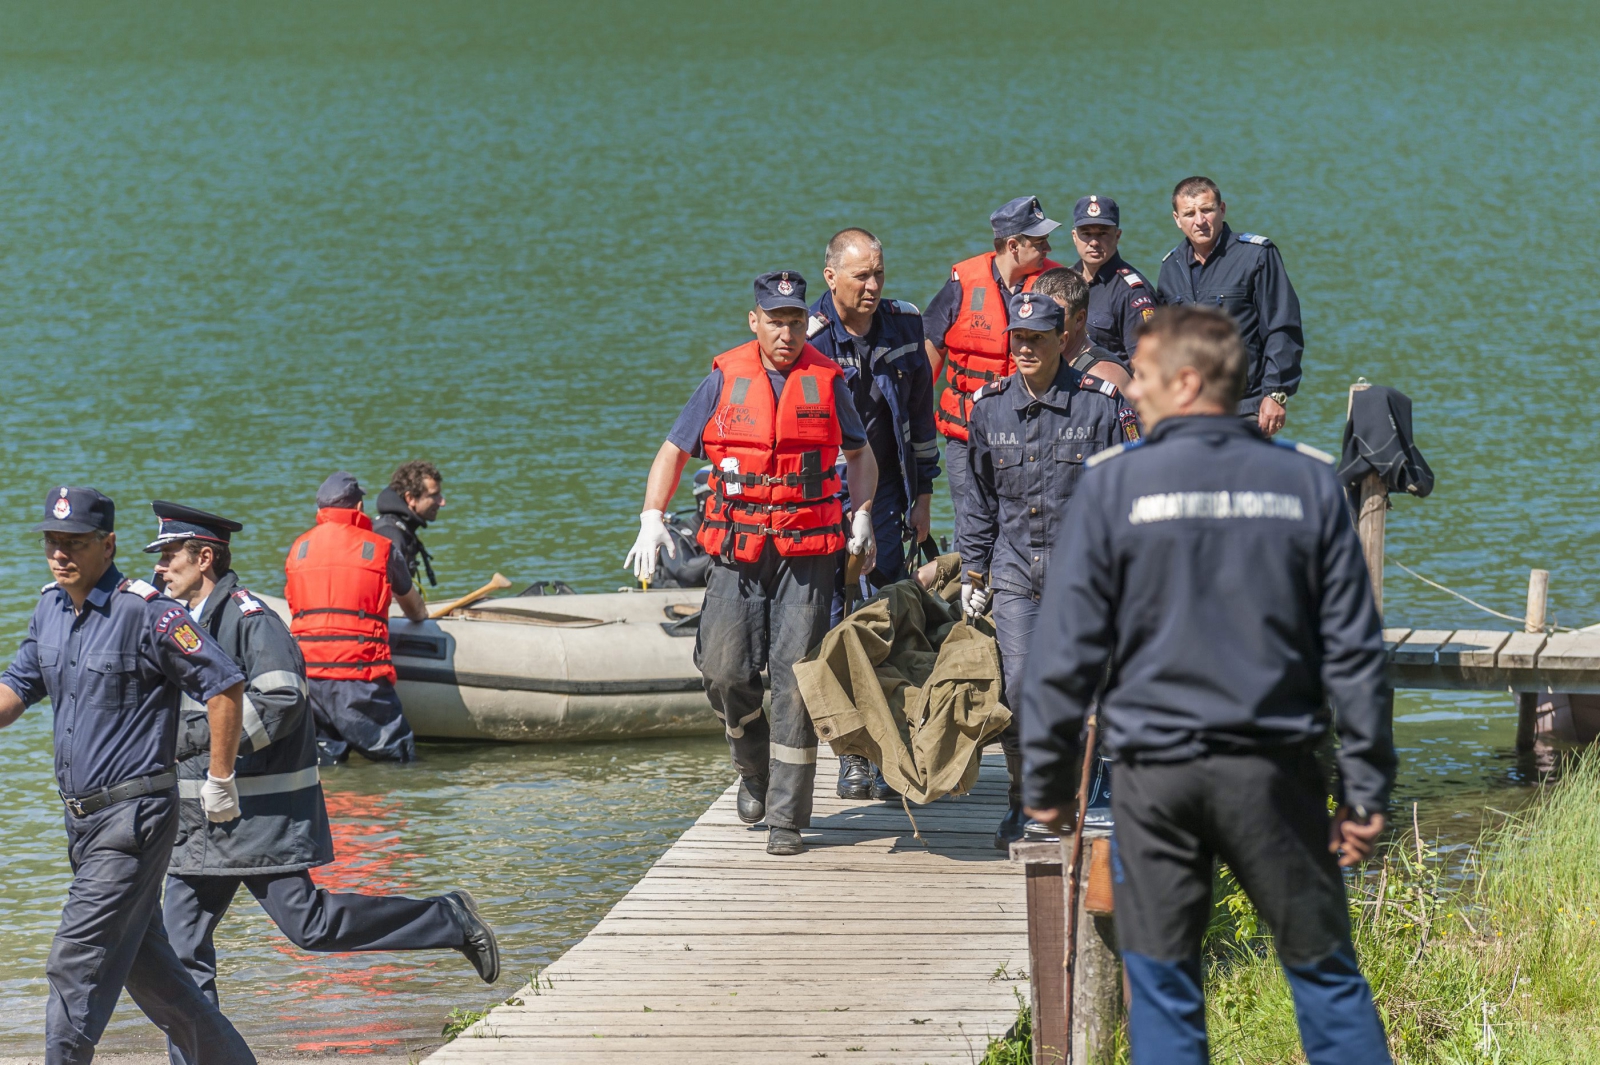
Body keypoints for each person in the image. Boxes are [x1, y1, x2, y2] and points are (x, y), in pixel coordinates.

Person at [1020, 306, 1394, 1065]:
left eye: (1148, 379)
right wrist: (1365, 788)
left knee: (1163, 991)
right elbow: (1354, 651)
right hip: (1275, 775)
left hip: (1154, 782)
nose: (1134, 396)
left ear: (1189, 381)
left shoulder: (1111, 486)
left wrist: (1049, 779)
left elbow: (1063, 653)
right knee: (1324, 973)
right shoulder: (1308, 483)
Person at [147, 502, 499, 1065]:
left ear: (204, 557)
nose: (161, 568)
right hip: (199, 829)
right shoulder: (183, 622)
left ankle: (447, 918)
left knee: (310, 926)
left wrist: (196, 740)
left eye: (169, 556)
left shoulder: (251, 620)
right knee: (182, 953)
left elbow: (284, 701)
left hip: (258, 822)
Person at [625, 272, 879, 856]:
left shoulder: (827, 380)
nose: (786, 332)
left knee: (795, 678)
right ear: (754, 321)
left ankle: (788, 818)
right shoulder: (722, 380)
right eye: (775, 321)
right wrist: (651, 517)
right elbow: (673, 450)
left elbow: (860, 453)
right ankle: (753, 766)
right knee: (723, 671)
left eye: (795, 321)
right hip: (737, 549)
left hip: (808, 553)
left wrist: (861, 512)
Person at [0, 487, 254, 1065]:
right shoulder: (49, 609)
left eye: (74, 543)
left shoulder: (147, 611)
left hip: (134, 818)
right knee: (150, 971)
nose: (60, 554)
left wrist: (220, 779)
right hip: (82, 822)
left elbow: (225, 684)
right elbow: (15, 690)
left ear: (108, 544)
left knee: (74, 959)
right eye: (52, 542)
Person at [955, 289, 1138, 850]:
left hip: (1084, 570)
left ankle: (1096, 794)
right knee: (1020, 686)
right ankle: (1030, 801)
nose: (1026, 348)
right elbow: (977, 497)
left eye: (1037, 338)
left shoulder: (1102, 405)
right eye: (1018, 339)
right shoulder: (988, 407)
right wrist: (973, 571)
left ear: (1064, 340)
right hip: (1014, 569)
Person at [807, 227, 939, 802]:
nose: (873, 285)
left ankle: (892, 747)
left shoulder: (905, 324)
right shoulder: (806, 336)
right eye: (861, 275)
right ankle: (852, 754)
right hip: (821, 499)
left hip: (887, 494)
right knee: (835, 621)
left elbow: (920, 414)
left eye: (879, 273)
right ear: (831, 276)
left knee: (887, 618)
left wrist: (925, 498)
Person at [924, 196, 1064, 514]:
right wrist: (915, 421)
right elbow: (929, 352)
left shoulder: (1054, 284)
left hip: (1032, 433)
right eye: (1040, 242)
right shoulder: (961, 285)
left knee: (1028, 524)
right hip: (967, 435)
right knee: (972, 524)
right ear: (1013, 245)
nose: (1048, 250)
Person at [285, 472, 428, 764]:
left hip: (308, 677)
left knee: (327, 766)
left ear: (319, 511)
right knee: (398, 764)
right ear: (360, 509)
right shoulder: (379, 548)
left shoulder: (298, 549)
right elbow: (415, 609)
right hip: (359, 677)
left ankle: (337, 809)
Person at [1156, 176, 1304, 437]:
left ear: (1222, 209)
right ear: (1177, 219)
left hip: (1245, 407)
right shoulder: (1170, 268)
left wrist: (1276, 393)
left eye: (1207, 210)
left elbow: (1281, 328)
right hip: (1188, 410)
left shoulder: (1256, 255)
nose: (1200, 221)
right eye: (1189, 213)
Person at [1068, 194, 1154, 369]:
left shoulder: (1131, 292)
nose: (1094, 242)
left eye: (1102, 233)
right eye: (1086, 233)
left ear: (1117, 235)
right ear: (1074, 236)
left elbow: (1146, 362)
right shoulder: (1065, 282)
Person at [1032, 267, 1134, 393]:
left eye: (1053, 315)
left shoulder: (1103, 377)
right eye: (1038, 313)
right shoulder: (1039, 361)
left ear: (1079, 319)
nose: (1042, 323)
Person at [373, 460, 445, 592]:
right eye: (434, 495)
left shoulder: (397, 528)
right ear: (410, 498)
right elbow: (391, 596)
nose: (442, 502)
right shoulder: (390, 535)